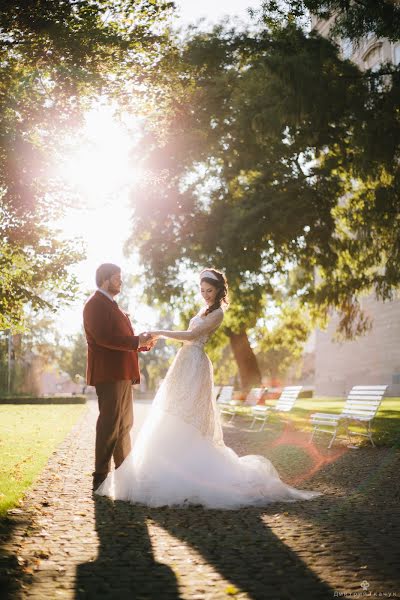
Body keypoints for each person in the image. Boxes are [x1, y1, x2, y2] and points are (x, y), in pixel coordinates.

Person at [95, 268, 322, 508]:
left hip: (196, 365)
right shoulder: (203, 309)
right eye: (202, 290)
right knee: (172, 409)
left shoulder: (218, 314)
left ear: (219, 290)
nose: (205, 295)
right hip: (183, 363)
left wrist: (159, 333)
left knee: (189, 413)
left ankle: (189, 470)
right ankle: (165, 463)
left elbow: (192, 334)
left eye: (209, 291)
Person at [83, 263, 157, 492]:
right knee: (109, 425)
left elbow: (122, 338)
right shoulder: (95, 304)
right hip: (109, 373)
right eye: (117, 278)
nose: (121, 281)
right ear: (105, 280)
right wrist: (136, 341)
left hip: (123, 374)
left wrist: (142, 344)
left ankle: (125, 475)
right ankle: (101, 478)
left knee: (125, 425)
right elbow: (104, 337)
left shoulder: (114, 306)